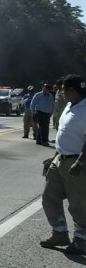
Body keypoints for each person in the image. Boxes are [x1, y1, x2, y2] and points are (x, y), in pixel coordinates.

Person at [39, 74, 86, 255]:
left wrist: (80, 162)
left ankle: (81, 240)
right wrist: (55, 156)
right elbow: (65, 135)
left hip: (77, 162)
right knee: (49, 197)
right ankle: (59, 234)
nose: (61, 93)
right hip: (60, 160)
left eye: (63, 90)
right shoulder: (69, 105)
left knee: (79, 203)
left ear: (72, 91)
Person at [30, 82, 55, 146]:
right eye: (44, 88)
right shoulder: (38, 95)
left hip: (47, 114)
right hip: (39, 113)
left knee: (43, 127)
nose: (45, 90)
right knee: (44, 127)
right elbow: (33, 104)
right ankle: (44, 141)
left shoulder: (50, 96)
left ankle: (38, 140)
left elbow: (52, 105)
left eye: (47, 89)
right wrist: (33, 112)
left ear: (49, 90)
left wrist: (51, 113)